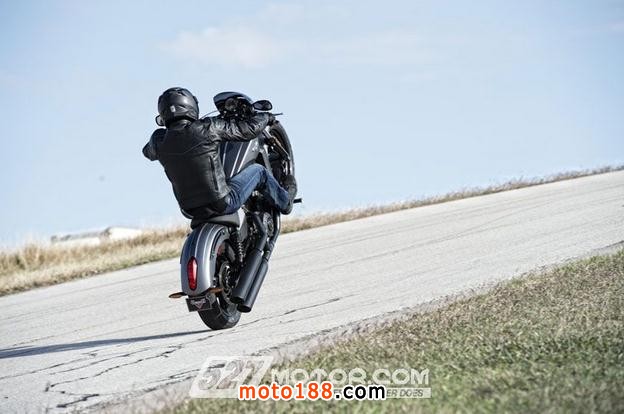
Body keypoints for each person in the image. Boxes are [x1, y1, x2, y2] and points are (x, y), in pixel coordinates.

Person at [142, 87, 297, 219]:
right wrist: (265, 117)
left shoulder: (158, 141)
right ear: (190, 105)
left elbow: (146, 152)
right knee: (259, 171)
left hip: (189, 210)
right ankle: (286, 203)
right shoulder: (208, 128)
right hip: (222, 203)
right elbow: (247, 130)